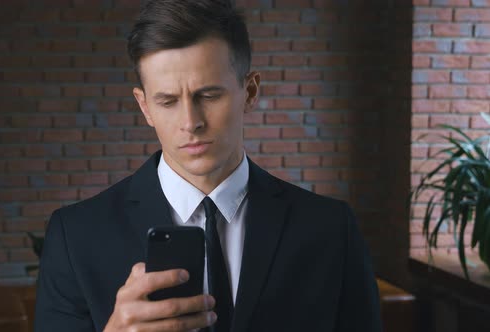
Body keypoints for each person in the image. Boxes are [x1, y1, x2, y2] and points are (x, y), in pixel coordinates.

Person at [34, 0, 382, 331]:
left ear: (249, 91)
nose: (190, 122)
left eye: (209, 95)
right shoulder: (75, 236)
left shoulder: (331, 230)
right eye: (168, 101)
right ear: (144, 107)